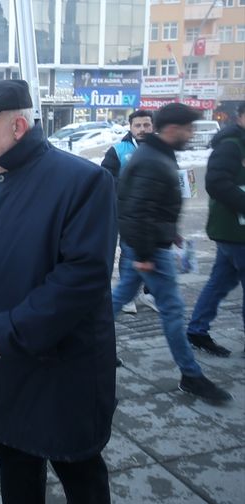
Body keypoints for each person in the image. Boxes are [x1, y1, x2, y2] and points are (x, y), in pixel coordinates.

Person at [0, 80, 118, 503]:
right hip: (4, 364)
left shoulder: (84, 181)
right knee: (16, 468)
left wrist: (6, 332)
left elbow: (81, 278)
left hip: (64, 368)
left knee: (79, 471)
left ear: (18, 125)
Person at [112, 103, 232, 402]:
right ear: (172, 129)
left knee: (118, 298)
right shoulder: (152, 159)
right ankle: (191, 375)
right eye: (188, 128)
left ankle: (77, 335)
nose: (191, 134)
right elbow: (137, 210)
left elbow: (153, 204)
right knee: (173, 310)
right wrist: (142, 255)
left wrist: (172, 231)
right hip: (150, 248)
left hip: (150, 243)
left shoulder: (157, 154)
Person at [186, 102, 245, 356]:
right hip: (235, 230)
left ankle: (197, 330)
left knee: (220, 282)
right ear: (241, 117)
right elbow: (216, 183)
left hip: (231, 230)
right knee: (220, 282)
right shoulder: (231, 145)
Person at [102, 109, 158, 315]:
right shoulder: (118, 150)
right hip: (129, 212)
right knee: (129, 252)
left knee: (155, 252)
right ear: (131, 127)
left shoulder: (162, 149)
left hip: (156, 213)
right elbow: (106, 178)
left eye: (146, 125)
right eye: (138, 125)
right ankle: (127, 296)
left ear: (153, 126)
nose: (142, 129)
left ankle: (149, 293)